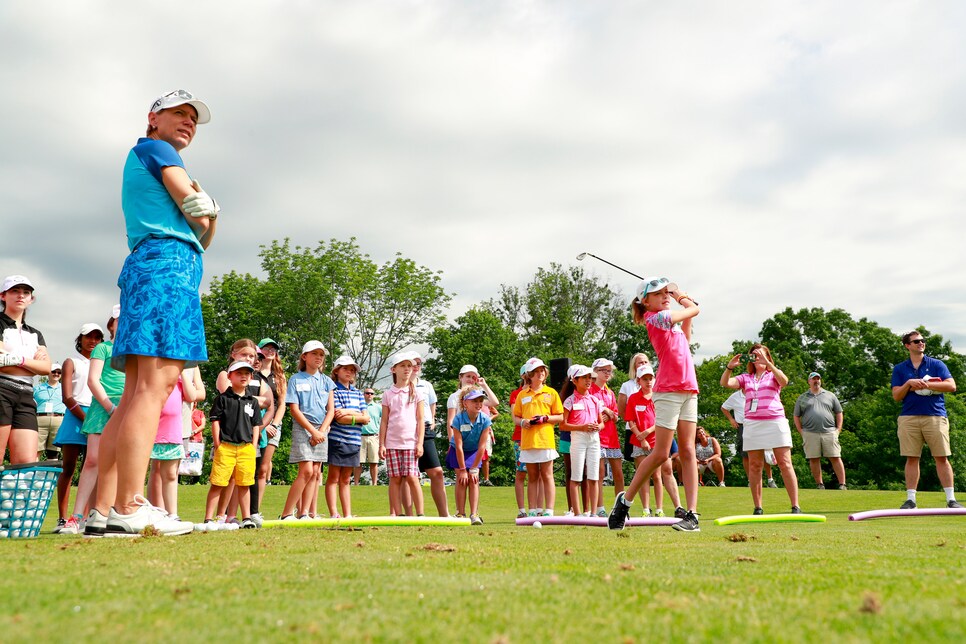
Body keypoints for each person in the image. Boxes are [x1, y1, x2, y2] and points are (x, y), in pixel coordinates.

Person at [94, 90, 217, 537]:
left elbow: (202, 235)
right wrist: (207, 206)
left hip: (164, 265)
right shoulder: (158, 148)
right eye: (179, 113)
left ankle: (103, 508)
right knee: (154, 386)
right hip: (165, 265)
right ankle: (128, 506)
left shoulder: (149, 152)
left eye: (193, 119)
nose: (188, 122)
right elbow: (196, 208)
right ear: (153, 118)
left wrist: (207, 217)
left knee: (135, 395)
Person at [610, 277, 701, 532]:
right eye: (658, 294)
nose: (664, 296)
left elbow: (686, 332)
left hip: (689, 389)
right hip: (668, 391)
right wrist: (682, 296)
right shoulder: (655, 319)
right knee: (661, 454)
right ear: (645, 302)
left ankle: (692, 515)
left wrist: (686, 306)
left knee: (688, 451)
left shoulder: (671, 323)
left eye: (665, 292)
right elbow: (693, 309)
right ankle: (625, 502)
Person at [721, 344, 801, 515]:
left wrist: (768, 363)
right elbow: (725, 383)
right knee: (755, 465)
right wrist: (729, 367)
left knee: (785, 463)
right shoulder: (745, 378)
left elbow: (784, 381)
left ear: (768, 357)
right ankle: (758, 507)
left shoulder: (773, 375)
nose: (757, 357)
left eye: (760, 355)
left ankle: (795, 506)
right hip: (752, 424)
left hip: (775, 422)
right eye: (754, 355)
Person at [891, 331, 962, 509]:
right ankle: (911, 500)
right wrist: (909, 384)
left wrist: (926, 384)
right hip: (909, 417)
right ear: (907, 345)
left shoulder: (936, 364)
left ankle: (951, 500)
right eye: (916, 341)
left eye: (922, 341)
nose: (921, 343)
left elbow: (951, 386)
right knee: (912, 458)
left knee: (942, 457)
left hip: (935, 416)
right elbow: (896, 396)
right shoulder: (900, 369)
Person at [77, 309, 126, 536]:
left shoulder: (133, 351)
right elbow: (93, 380)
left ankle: (108, 514)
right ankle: (76, 516)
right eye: (119, 318)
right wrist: (110, 407)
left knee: (120, 463)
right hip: (103, 406)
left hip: (126, 407)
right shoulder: (102, 348)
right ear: (111, 324)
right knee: (93, 461)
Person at [215, 340, 274, 524]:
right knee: (226, 478)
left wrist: (257, 428)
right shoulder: (226, 374)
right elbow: (231, 395)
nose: (248, 359)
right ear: (233, 354)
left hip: (248, 438)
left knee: (242, 478)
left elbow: (269, 403)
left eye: (251, 356)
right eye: (244, 355)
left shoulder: (255, 378)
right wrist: (256, 400)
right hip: (228, 437)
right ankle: (219, 515)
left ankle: (233, 516)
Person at [52, 323, 104, 533]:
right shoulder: (71, 361)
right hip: (76, 414)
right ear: (79, 339)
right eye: (88, 337)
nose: (92, 341)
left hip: (97, 413)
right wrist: (85, 418)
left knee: (90, 467)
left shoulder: (103, 363)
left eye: (96, 337)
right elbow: (66, 396)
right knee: (69, 467)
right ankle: (63, 518)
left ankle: (81, 517)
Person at [198, 361, 261, 530]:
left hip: (246, 448)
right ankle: (208, 519)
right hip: (225, 446)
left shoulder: (253, 401)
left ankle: (246, 517)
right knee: (218, 483)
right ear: (229, 376)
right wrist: (218, 443)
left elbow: (256, 424)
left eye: (247, 373)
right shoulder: (222, 399)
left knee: (245, 483)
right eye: (239, 373)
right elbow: (215, 421)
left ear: (251, 377)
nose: (243, 376)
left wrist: (254, 445)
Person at [280, 341, 335, 520]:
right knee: (306, 471)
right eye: (314, 354)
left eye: (321, 354)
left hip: (322, 430)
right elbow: (294, 409)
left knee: (316, 473)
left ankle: (304, 513)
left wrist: (321, 431)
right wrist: (313, 431)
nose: (318, 357)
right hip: (303, 428)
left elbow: (331, 410)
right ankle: (287, 513)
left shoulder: (327, 381)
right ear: (304, 356)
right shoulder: (296, 378)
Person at [1, 275, 52, 464]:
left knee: (25, 465)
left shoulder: (35, 333)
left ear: (31, 299)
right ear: (3, 295)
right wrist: (32, 364)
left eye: (26, 292)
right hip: (2, 390)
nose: (21, 295)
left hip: (26, 396)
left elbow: (46, 368)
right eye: (15, 291)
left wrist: (17, 359)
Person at [512, 357, 563, 517]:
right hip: (528, 441)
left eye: (542, 370)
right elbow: (516, 417)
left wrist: (545, 418)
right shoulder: (522, 395)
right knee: (532, 476)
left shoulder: (551, 392)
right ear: (530, 375)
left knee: (547, 475)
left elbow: (560, 417)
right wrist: (524, 422)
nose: (540, 373)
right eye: (536, 371)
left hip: (545, 440)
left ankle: (549, 510)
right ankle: (532, 510)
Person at [379, 353, 425, 517]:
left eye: (409, 366)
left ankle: (420, 514)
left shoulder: (417, 393)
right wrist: (382, 444)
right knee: (395, 479)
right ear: (394, 369)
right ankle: (397, 514)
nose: (407, 369)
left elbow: (420, 420)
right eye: (402, 366)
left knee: (413, 478)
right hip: (392, 443)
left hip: (410, 443)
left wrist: (420, 443)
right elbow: (384, 421)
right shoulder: (387, 394)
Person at [327, 356, 369, 518]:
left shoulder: (358, 393)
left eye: (352, 370)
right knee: (333, 477)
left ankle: (347, 515)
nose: (350, 372)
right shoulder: (334, 391)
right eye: (346, 369)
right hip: (338, 440)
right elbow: (339, 418)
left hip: (354, 441)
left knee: (346, 479)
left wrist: (347, 412)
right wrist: (355, 415)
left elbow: (366, 417)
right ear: (336, 371)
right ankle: (333, 514)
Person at [560, 365, 604, 516]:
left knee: (593, 476)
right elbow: (563, 425)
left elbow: (601, 422)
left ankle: (593, 513)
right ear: (574, 380)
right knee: (576, 476)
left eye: (589, 377)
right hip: (578, 438)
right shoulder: (569, 401)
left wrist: (598, 426)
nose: (588, 380)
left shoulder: (594, 400)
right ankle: (578, 514)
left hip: (594, 438)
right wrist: (582, 427)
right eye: (584, 378)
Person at [444, 365, 499, 486]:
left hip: (474, 438)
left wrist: (483, 385)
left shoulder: (477, 395)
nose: (470, 379)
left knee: (474, 476)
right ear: (460, 377)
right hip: (459, 437)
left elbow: (495, 402)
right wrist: (450, 441)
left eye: (473, 377)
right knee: (461, 475)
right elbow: (450, 420)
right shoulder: (454, 396)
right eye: (467, 376)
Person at [446, 387, 493, 524]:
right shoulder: (458, 419)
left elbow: (482, 446)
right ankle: (460, 513)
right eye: (474, 401)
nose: (478, 404)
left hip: (474, 451)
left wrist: (473, 469)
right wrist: (462, 470)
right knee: (462, 480)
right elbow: (459, 446)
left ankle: (474, 515)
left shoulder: (485, 420)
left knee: (474, 479)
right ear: (465, 403)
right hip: (457, 451)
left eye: (480, 401)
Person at [793, 372, 846, 490]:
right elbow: (796, 416)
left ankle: (842, 484)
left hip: (829, 431)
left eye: (818, 379)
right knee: (814, 458)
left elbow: (839, 412)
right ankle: (820, 484)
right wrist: (801, 431)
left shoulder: (830, 395)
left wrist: (838, 429)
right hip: (810, 432)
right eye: (813, 379)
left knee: (835, 457)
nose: (816, 381)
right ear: (809, 381)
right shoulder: (803, 397)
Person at [410, 354, 448, 516]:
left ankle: (444, 515)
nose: (417, 366)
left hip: (425, 429)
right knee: (410, 475)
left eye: (419, 363)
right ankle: (410, 515)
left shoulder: (426, 385)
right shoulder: (400, 386)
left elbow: (432, 403)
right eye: (413, 363)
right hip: (407, 429)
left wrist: (432, 419)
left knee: (437, 472)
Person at [255, 337, 286, 519]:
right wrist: (262, 425)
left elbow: (281, 404)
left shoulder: (279, 376)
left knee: (263, 469)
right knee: (247, 468)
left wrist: (273, 424)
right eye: (266, 348)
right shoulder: (253, 373)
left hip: (274, 425)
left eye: (273, 348)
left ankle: (255, 511)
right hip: (254, 425)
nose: (270, 351)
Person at [721, 388, 777, 488]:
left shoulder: (757, 393)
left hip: (758, 424)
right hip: (743, 426)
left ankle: (770, 480)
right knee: (745, 455)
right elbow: (724, 408)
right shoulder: (735, 396)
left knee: (763, 452)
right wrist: (731, 420)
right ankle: (750, 480)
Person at [509, 365, 543, 518]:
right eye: (528, 374)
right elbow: (515, 416)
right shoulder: (516, 394)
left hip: (540, 437)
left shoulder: (544, 391)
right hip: (521, 437)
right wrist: (524, 422)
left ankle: (540, 509)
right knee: (521, 473)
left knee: (541, 473)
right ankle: (522, 510)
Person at [590, 358, 622, 516]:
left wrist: (609, 414)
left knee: (618, 474)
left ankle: (620, 508)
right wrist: (607, 412)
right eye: (604, 370)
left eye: (610, 371)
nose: (608, 373)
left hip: (612, 437)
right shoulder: (590, 390)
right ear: (596, 371)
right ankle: (600, 508)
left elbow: (616, 416)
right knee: (600, 473)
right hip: (597, 437)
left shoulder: (610, 392)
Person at [34, 362, 65, 460]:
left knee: (54, 451)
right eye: (53, 371)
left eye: (59, 372)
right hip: (40, 419)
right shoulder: (38, 388)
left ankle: (51, 475)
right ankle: (31, 473)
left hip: (58, 419)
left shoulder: (65, 388)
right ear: (48, 373)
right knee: (35, 449)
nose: (56, 374)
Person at [354, 387, 382, 485]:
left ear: (374, 395)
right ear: (364, 394)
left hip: (374, 436)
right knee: (358, 462)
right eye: (367, 393)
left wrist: (382, 434)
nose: (369, 395)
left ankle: (374, 484)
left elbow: (386, 420)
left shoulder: (378, 407)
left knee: (374, 462)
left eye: (371, 393)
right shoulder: (359, 407)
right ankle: (356, 483)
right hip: (360, 436)